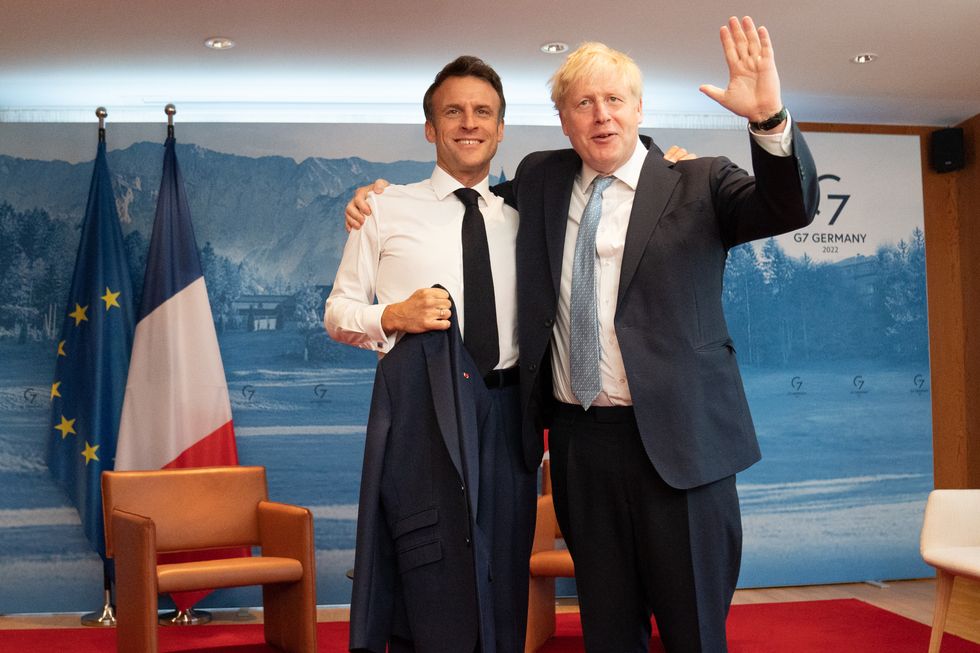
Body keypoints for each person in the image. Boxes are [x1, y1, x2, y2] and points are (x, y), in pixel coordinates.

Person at [346, 16, 818, 653]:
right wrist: (379, 201)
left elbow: (790, 207)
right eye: (583, 103)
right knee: (608, 629)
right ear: (564, 121)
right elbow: (464, 200)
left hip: (683, 449)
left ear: (639, 108)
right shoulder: (540, 181)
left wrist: (768, 122)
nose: (601, 116)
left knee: (694, 631)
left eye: (614, 99)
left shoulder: (700, 182)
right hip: (580, 448)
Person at [326, 56, 535, 653]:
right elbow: (338, 311)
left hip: (509, 417)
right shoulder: (383, 210)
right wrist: (392, 316)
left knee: (505, 581)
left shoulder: (526, 216)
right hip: (423, 424)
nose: (468, 123)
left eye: (483, 112)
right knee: (428, 580)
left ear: (500, 128)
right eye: (453, 111)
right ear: (429, 127)